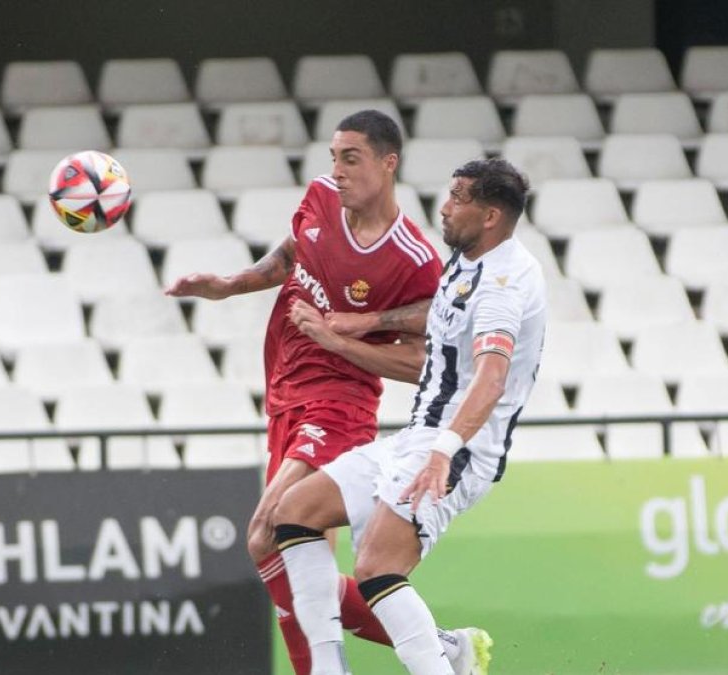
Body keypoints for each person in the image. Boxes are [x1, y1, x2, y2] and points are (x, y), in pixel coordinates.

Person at [166, 111, 487, 674]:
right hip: (286, 398)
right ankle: (444, 646)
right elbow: (294, 254)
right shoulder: (319, 200)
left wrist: (340, 340)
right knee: (281, 547)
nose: (336, 171)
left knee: (267, 534)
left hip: (339, 407)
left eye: (351, 158)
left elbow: (426, 365)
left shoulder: (413, 261)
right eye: (333, 157)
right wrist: (230, 285)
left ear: (388, 164)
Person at [272, 157, 545, 675]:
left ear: (489, 215)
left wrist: (444, 453)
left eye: (458, 198)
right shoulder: (469, 259)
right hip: (417, 435)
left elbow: (492, 378)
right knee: (295, 513)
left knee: (376, 567)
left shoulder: (505, 284)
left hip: (460, 447)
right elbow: (438, 313)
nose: (444, 208)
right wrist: (367, 322)